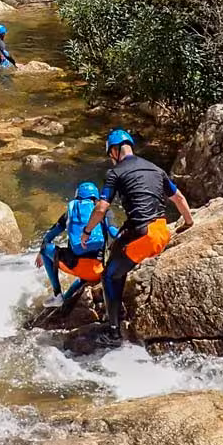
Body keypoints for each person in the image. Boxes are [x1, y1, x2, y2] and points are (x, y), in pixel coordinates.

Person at [77, 129, 194, 347]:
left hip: (144, 236)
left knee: (109, 275)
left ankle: (113, 333)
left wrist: (86, 231)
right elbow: (178, 198)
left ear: (114, 150)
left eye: (109, 154)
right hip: (161, 231)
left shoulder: (116, 173)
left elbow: (102, 208)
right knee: (118, 248)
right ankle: (118, 309)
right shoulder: (156, 168)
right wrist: (188, 223)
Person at [36, 181, 119, 309]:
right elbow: (114, 233)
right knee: (84, 278)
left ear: (77, 196)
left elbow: (49, 236)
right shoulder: (104, 211)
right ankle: (66, 299)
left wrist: (41, 252)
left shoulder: (71, 212)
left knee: (45, 248)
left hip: (75, 266)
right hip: (98, 271)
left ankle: (57, 295)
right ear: (96, 197)